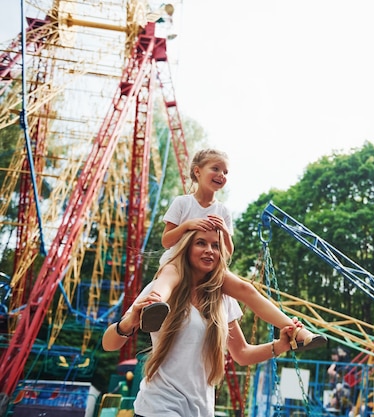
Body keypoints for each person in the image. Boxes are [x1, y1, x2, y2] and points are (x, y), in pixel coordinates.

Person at [142, 148, 326, 352]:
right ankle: (153, 307)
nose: (221, 175)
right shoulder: (182, 203)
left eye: (226, 172)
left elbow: (228, 252)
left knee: (247, 289)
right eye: (216, 169)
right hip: (178, 262)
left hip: (209, 268)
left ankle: (297, 331)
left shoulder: (222, 211)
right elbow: (167, 241)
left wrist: (223, 230)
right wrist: (187, 226)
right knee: (167, 277)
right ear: (197, 171)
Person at [102, 228, 300, 417]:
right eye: (200, 243)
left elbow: (242, 353)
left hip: (201, 410)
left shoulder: (223, 298)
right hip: (159, 406)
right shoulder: (160, 290)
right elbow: (108, 343)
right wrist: (127, 324)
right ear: (187, 248)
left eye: (215, 245)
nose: (209, 250)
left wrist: (280, 346)